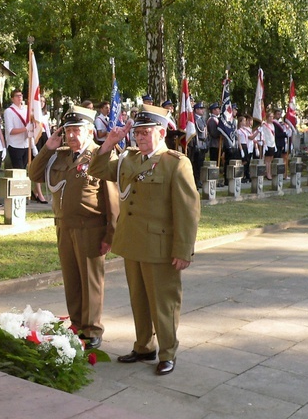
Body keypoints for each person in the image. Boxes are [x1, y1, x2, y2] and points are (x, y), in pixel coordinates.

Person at [87, 104, 200, 375]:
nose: (140, 138)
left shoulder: (176, 163)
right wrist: (109, 142)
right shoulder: (129, 159)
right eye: (137, 133)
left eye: (146, 133)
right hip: (132, 243)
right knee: (138, 299)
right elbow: (97, 170)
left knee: (164, 302)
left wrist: (183, 250)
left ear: (161, 133)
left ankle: (168, 352)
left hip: (160, 247)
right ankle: (144, 346)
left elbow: (188, 210)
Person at [28, 106, 120, 350]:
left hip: (90, 228)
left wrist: (110, 234)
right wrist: (48, 147)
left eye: (76, 129)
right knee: (71, 279)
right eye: (68, 130)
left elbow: (112, 200)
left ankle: (92, 329)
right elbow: (34, 174)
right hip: (64, 227)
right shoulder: (59, 155)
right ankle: (77, 323)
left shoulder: (101, 155)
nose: (71, 135)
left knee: (90, 281)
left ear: (90, 130)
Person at [3, 89, 30, 170]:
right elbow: (10, 131)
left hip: (25, 144)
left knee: (24, 169)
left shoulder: (26, 110)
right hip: (15, 144)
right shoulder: (9, 111)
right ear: (12, 98)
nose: (19, 97)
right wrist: (25, 129)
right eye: (17, 96)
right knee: (18, 169)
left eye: (20, 95)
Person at [31, 96, 51, 203]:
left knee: (45, 165)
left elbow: (47, 129)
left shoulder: (45, 115)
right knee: (38, 164)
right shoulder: (34, 114)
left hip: (44, 137)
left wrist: (51, 140)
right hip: (37, 138)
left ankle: (35, 191)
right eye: (40, 101)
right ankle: (39, 193)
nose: (42, 103)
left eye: (44, 101)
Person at [189, 101, 209, 187]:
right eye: (201, 108)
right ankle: (196, 180)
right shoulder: (194, 119)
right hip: (197, 144)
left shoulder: (201, 119)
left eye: (203, 108)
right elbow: (196, 133)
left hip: (203, 144)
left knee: (200, 164)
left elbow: (205, 132)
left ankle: (199, 179)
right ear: (196, 109)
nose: (203, 110)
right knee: (196, 164)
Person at [259, 110, 277, 180]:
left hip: (272, 143)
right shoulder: (265, 125)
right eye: (271, 116)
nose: (272, 118)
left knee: (271, 159)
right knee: (267, 160)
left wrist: (274, 144)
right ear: (268, 117)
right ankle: (267, 173)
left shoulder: (272, 125)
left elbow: (273, 135)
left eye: (273, 116)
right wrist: (264, 142)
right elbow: (263, 134)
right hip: (267, 144)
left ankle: (269, 172)